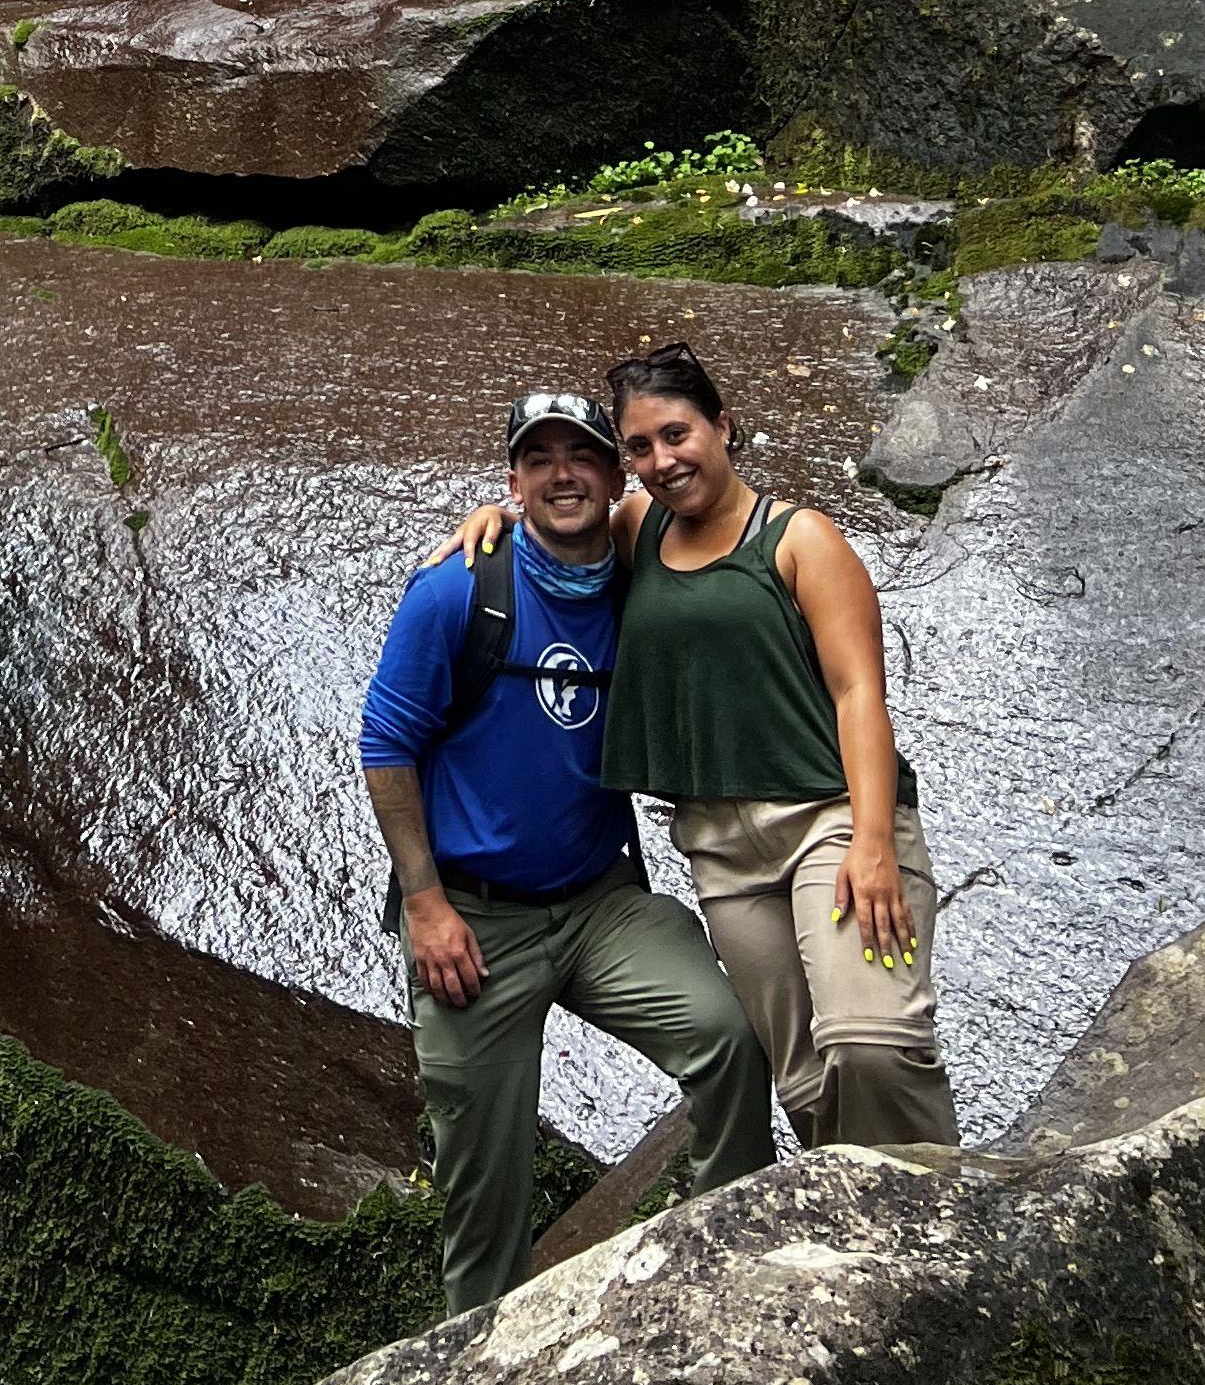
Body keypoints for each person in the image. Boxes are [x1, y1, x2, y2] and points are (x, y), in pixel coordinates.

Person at [448, 339, 960, 1156]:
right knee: (803, 1079)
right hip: (722, 850)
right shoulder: (638, 526)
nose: (662, 461)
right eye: (640, 447)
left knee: (872, 1043)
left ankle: (934, 1206)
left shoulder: (800, 539)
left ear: (722, 425)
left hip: (830, 819)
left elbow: (860, 694)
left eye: (676, 435)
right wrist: (496, 518)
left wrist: (873, 842)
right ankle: (856, 1212)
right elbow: (561, 520)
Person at [359, 387, 777, 1324]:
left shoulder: (641, 577)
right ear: (513, 482)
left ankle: (724, 1267)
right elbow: (385, 744)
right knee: (483, 1187)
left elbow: (721, 530)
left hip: (600, 904)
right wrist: (424, 904)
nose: (562, 476)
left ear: (615, 474)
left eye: (582, 455)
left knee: (728, 1037)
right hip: (474, 922)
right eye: (538, 460)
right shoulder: (457, 590)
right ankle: (482, 1351)